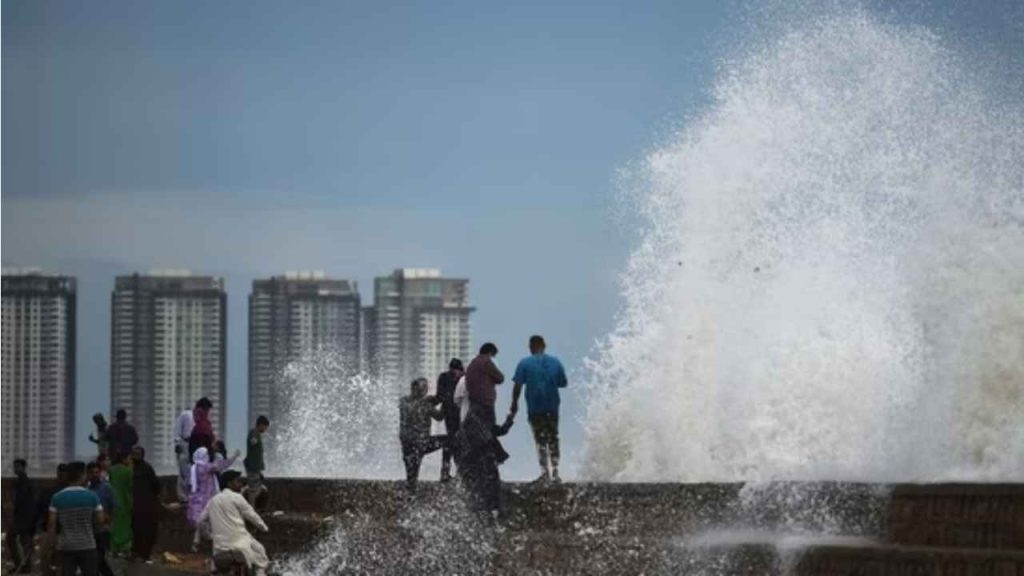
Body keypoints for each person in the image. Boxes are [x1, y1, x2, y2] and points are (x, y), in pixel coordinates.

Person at [511, 335, 569, 483]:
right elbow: (563, 383)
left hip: (535, 408)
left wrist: (514, 404)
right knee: (553, 438)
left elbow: (517, 385)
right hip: (552, 406)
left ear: (531, 347)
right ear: (544, 345)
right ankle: (555, 472)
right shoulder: (556, 362)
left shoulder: (524, 363)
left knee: (540, 440)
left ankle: (545, 473)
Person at [198, 470, 270, 576]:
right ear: (229, 483)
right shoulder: (237, 497)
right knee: (261, 555)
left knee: (215, 568)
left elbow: (200, 521)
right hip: (240, 544)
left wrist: (209, 536)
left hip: (219, 547)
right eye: (237, 481)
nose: (240, 484)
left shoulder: (213, 500)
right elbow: (252, 515)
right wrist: (264, 528)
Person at [455, 407, 515, 517]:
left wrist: (510, 418)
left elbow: (502, 430)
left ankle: (491, 509)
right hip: (476, 463)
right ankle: (487, 510)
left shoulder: (483, 426)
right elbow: (502, 430)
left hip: (481, 462)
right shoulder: (468, 430)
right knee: (484, 485)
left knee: (490, 483)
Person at [47, 461, 105, 576]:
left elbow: (51, 524)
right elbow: (100, 520)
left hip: (66, 546)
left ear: (67, 476)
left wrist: (52, 545)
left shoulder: (57, 497)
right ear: (83, 475)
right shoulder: (92, 496)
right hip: (88, 545)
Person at [399, 378, 446, 492]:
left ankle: (411, 493)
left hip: (407, 443)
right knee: (448, 441)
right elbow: (439, 417)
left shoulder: (403, 401)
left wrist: (430, 401)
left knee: (411, 472)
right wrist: (445, 402)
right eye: (424, 388)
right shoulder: (424, 404)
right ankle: (445, 471)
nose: (426, 390)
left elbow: (413, 409)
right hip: (421, 443)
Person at [188, 446, 240, 542]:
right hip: (206, 499)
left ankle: (198, 542)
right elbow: (222, 465)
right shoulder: (205, 467)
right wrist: (234, 456)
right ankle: (211, 539)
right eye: (206, 454)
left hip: (197, 499)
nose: (208, 456)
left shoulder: (194, 467)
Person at [36, 463, 68, 576]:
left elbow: (39, 510)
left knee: (53, 561)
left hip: (57, 531)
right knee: (56, 562)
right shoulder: (50, 492)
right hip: (56, 531)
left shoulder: (49, 491)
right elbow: (39, 510)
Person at [435, 358, 464, 482]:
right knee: (456, 443)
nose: (454, 374)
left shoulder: (445, 377)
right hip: (456, 414)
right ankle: (456, 473)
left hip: (454, 414)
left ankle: (448, 472)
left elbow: (439, 396)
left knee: (453, 443)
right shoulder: (462, 377)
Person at [130, 446, 160, 562]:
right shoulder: (130, 469)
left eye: (138, 454)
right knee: (136, 531)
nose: (136, 456)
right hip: (135, 505)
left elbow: (156, 485)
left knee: (146, 531)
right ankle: (136, 553)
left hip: (146, 505)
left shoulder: (147, 468)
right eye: (134, 454)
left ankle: (144, 554)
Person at [465, 343, 505, 428]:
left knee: (477, 429)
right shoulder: (486, 362)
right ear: (490, 352)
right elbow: (500, 378)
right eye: (493, 356)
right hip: (485, 402)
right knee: (489, 430)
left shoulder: (472, 363)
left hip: (473, 402)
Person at [86, 461, 115, 576]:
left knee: (99, 560)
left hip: (103, 530)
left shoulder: (106, 487)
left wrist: (108, 519)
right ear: (87, 474)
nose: (95, 475)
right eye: (92, 472)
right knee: (92, 561)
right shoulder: (86, 489)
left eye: (97, 472)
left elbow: (114, 506)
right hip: (89, 530)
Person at [8, 459, 35, 573]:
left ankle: (21, 565)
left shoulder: (23, 481)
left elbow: (22, 500)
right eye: (15, 466)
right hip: (25, 517)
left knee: (11, 538)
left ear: (23, 467)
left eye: (17, 466)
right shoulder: (21, 480)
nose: (15, 468)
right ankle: (25, 566)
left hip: (23, 517)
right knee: (24, 541)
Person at [107, 452, 133, 556]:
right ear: (123, 459)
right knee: (125, 526)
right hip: (125, 501)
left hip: (113, 501)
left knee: (114, 525)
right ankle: (124, 548)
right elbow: (131, 486)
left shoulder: (111, 470)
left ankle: (114, 548)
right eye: (129, 458)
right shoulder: (128, 470)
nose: (130, 460)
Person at [244, 416, 270, 505]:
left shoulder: (256, 434)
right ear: (261, 425)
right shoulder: (254, 433)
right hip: (253, 467)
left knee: (256, 489)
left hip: (255, 468)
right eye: (265, 427)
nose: (265, 429)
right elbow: (252, 443)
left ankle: (250, 506)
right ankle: (250, 507)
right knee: (253, 490)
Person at [174, 403, 196, 501]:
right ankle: (183, 496)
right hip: (184, 444)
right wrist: (177, 443)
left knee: (191, 471)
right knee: (183, 471)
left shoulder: (200, 417)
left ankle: (189, 494)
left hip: (194, 445)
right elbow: (177, 430)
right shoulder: (185, 414)